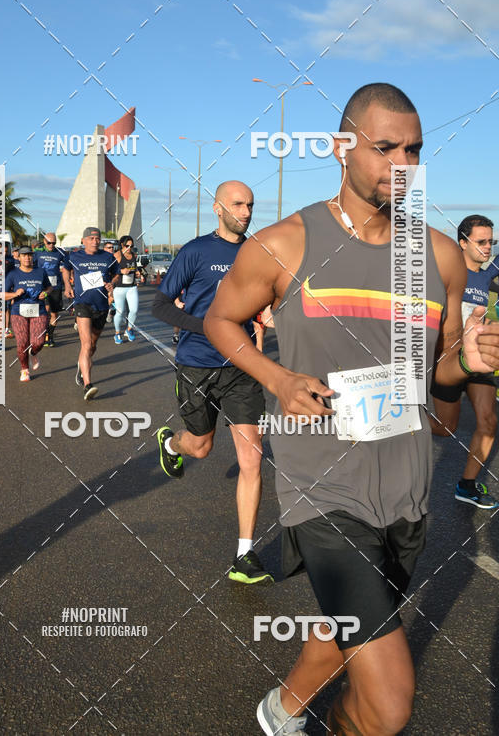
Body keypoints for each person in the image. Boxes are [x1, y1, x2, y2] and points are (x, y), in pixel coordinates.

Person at [204, 83, 499, 736]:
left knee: (353, 628)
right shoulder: (285, 244)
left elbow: (440, 372)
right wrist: (278, 378)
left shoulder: (441, 257)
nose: (403, 164)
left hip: (404, 488)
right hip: (324, 488)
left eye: (414, 150)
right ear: (341, 149)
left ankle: (279, 712)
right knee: (389, 701)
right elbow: (221, 320)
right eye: (384, 147)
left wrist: (470, 363)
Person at [152, 180, 271, 584]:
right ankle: (171, 443)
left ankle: (244, 554)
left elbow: (266, 301)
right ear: (218, 208)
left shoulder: (260, 252)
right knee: (200, 448)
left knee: (252, 460)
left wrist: (268, 314)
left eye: (251, 205)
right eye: (238, 204)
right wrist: (206, 328)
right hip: (196, 364)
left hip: (242, 368)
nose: (246, 212)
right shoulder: (196, 251)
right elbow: (161, 305)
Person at [429, 214, 499, 509]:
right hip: (447, 362)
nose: (487, 247)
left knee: (488, 421)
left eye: (491, 241)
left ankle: (467, 485)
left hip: (478, 360)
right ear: (462, 242)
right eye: (480, 241)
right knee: (445, 428)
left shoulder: (487, 276)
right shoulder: (445, 272)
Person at [63, 227, 119, 400]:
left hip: (101, 306)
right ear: (83, 240)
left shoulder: (107, 257)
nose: (95, 241)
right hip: (82, 304)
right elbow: (65, 269)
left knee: (92, 346)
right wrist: (67, 285)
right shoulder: (74, 256)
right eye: (92, 238)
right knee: (86, 345)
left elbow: (116, 274)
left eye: (98, 238)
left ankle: (82, 365)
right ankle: (88, 384)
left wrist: (112, 284)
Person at [4, 246, 52, 383]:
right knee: (22, 343)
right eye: (24, 255)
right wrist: (14, 294)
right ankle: (24, 369)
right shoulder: (13, 274)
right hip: (18, 311)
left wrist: (46, 293)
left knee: (39, 342)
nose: (27, 258)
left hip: (39, 310)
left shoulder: (40, 272)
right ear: (18, 257)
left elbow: (49, 287)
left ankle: (33, 353)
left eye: (29, 255)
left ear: (33, 257)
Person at [34, 232, 69, 347]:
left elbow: (69, 263)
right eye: (49, 243)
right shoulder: (38, 252)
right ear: (44, 241)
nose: (51, 245)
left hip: (56, 287)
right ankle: (42, 334)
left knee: (54, 314)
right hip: (43, 286)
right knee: (45, 310)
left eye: (53, 243)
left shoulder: (59, 252)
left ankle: (50, 336)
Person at [112, 235, 139, 344]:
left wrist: (137, 273)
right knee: (120, 312)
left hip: (131, 287)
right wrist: (121, 271)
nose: (129, 248)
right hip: (119, 288)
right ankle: (117, 333)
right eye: (127, 245)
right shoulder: (117, 255)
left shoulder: (133, 255)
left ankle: (128, 330)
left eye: (131, 246)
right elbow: (110, 270)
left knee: (134, 310)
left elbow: (134, 268)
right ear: (122, 245)